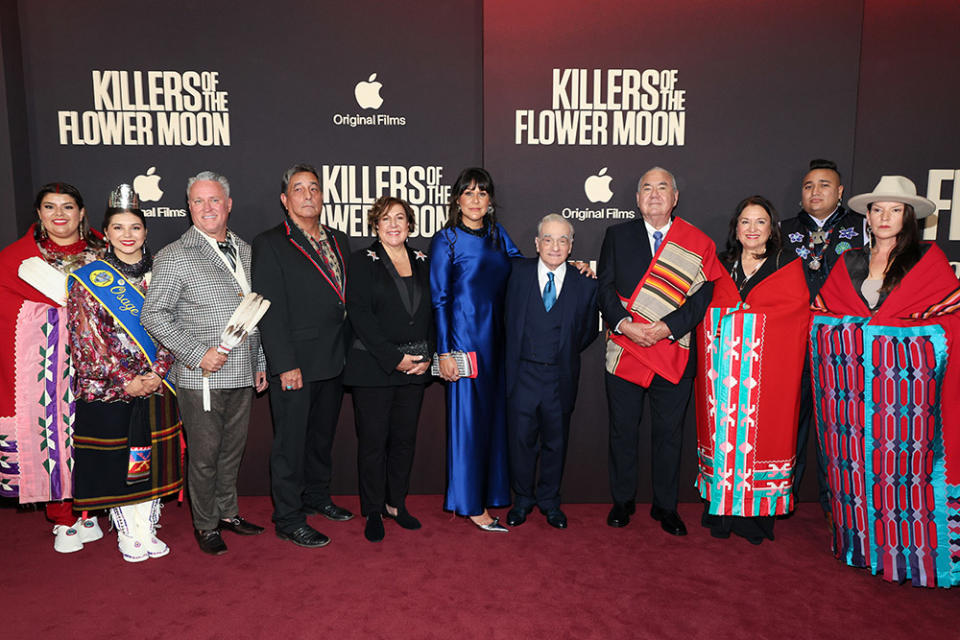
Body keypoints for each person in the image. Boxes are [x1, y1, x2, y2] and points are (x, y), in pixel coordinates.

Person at [810, 175, 960, 588]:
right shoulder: (849, 262)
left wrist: (885, 338)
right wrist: (858, 333)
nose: (885, 217)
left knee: (904, 473)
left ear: (909, 217)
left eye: (895, 210)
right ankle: (862, 547)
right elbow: (821, 316)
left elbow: (949, 324)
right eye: (878, 209)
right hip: (853, 400)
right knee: (856, 470)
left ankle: (909, 558)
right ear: (868, 215)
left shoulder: (928, 261)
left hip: (907, 398)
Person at [142, 171, 268, 556]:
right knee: (204, 455)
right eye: (198, 201)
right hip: (202, 378)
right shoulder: (174, 255)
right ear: (188, 208)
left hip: (243, 371)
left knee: (233, 451)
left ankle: (228, 512)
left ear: (228, 205)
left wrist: (260, 359)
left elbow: (254, 313)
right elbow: (154, 314)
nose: (207, 208)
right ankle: (205, 523)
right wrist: (197, 353)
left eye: (214, 200)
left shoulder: (246, 251)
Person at [598, 166, 721, 535]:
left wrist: (668, 327)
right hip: (626, 349)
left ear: (675, 197)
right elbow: (604, 289)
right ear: (637, 199)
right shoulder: (617, 236)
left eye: (662, 187)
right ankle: (622, 501)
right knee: (623, 431)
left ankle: (666, 507)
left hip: (674, 351)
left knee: (669, 434)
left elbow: (702, 298)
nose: (654, 194)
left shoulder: (697, 243)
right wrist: (627, 326)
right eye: (646, 188)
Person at [67, 184, 182, 562]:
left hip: (157, 383)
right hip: (111, 388)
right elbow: (87, 337)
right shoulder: (88, 278)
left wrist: (157, 370)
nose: (127, 235)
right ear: (106, 232)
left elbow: (174, 326)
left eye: (135, 227)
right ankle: (126, 532)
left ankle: (146, 526)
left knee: (150, 460)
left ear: (146, 231)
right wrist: (125, 380)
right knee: (120, 461)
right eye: (118, 228)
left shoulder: (162, 273)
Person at [693, 196, 809, 544]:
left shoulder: (786, 263)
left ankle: (754, 517)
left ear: (771, 228)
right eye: (745, 221)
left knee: (762, 440)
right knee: (721, 439)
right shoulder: (722, 264)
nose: (752, 229)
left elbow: (795, 312)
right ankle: (721, 510)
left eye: (760, 222)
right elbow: (706, 308)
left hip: (766, 374)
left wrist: (743, 318)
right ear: (736, 228)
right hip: (722, 373)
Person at [252, 164, 354, 549]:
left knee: (321, 438)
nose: (308, 194)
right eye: (299, 188)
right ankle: (289, 517)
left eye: (314, 187)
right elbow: (270, 308)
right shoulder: (271, 242)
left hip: (334, 357)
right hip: (295, 362)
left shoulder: (340, 239)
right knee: (290, 444)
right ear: (285, 199)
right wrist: (283, 363)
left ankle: (317, 497)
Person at [0, 182, 105, 552]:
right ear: (39, 214)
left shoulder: (106, 252)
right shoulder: (16, 260)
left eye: (67, 206)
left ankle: (90, 507)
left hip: (98, 364)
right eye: (49, 207)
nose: (59, 214)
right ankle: (61, 515)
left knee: (93, 431)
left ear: (81, 213)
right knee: (54, 434)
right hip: (46, 365)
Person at [430, 167, 523, 532]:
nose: (475, 200)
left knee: (491, 423)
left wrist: (567, 266)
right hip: (463, 345)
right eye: (468, 193)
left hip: (495, 343)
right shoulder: (447, 240)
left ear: (490, 201)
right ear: (457, 200)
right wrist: (444, 352)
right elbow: (439, 300)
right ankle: (470, 504)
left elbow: (524, 270)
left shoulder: (499, 236)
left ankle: (488, 493)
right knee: (467, 425)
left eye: (481, 193)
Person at [780, 159, 867, 516]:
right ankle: (783, 497)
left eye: (824, 185)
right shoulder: (781, 230)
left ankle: (841, 506)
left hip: (844, 348)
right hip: (794, 343)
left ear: (840, 191)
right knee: (789, 426)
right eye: (809, 186)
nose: (815, 192)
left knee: (841, 429)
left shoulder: (862, 228)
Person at [344, 196, 433, 542]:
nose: (393, 224)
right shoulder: (361, 261)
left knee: (404, 441)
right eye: (385, 219)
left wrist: (429, 355)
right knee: (373, 442)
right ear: (375, 226)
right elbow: (360, 315)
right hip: (373, 367)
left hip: (416, 369)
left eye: (400, 218)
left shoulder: (424, 261)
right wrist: (393, 358)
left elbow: (434, 310)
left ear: (410, 224)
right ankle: (373, 509)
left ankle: (397, 503)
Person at [504, 214, 598, 529]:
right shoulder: (515, 275)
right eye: (548, 239)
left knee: (556, 443)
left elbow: (587, 333)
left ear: (571, 246)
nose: (554, 246)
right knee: (520, 442)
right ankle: (523, 500)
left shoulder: (585, 284)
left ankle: (549, 502)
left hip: (560, 378)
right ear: (536, 243)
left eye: (562, 240)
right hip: (522, 376)